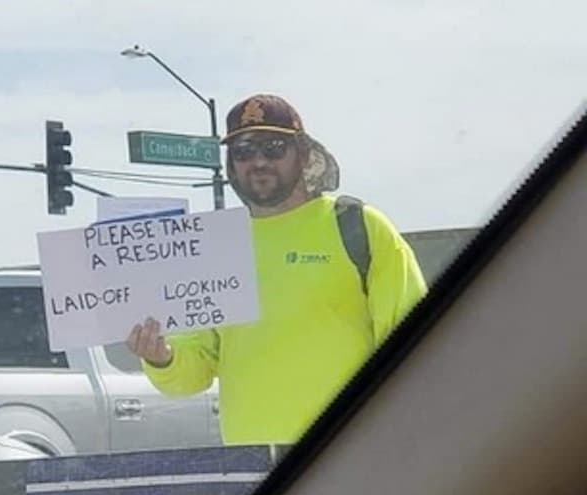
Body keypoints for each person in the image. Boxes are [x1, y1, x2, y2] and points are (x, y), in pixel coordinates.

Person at [126, 94, 427, 446]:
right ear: (231, 165)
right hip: (253, 466)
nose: (259, 161)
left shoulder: (359, 226)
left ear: (304, 154)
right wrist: (161, 358)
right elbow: (194, 372)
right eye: (243, 151)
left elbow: (417, 342)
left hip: (354, 454)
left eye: (274, 147)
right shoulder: (215, 246)